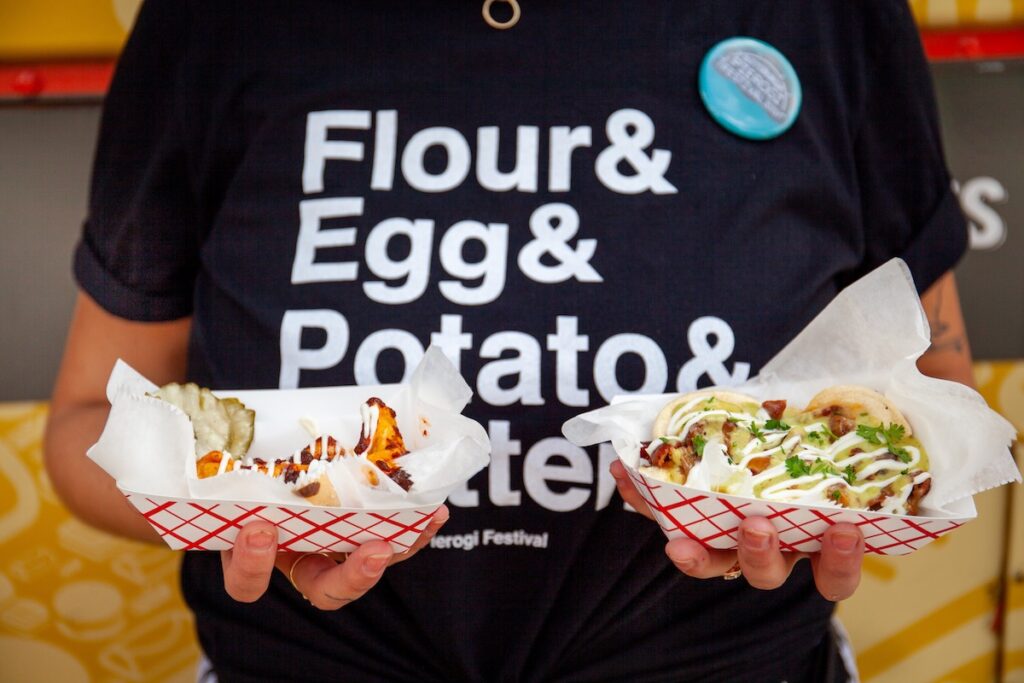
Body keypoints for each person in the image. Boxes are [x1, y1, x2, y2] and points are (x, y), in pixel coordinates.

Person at [45, 1, 974, 681]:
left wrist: (805, 512)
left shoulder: (828, 15)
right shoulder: (213, 23)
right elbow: (88, 419)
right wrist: (250, 512)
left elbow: (937, 387)